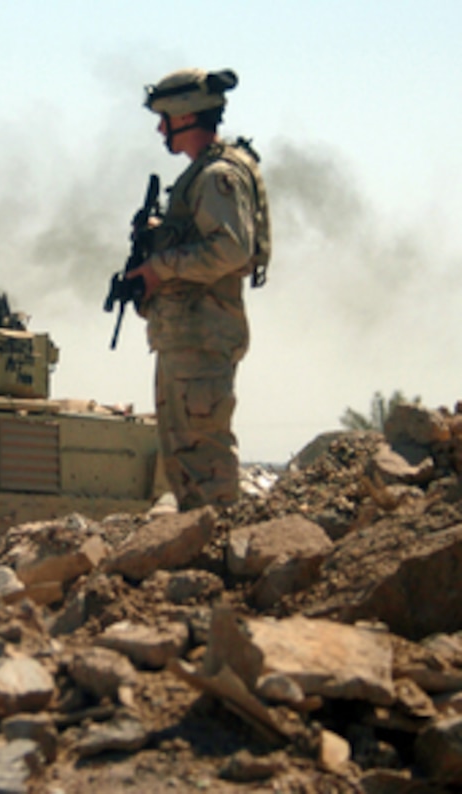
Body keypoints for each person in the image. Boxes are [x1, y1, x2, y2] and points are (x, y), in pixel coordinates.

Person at [125, 67, 271, 510]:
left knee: (203, 458)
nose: (159, 128)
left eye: (164, 118)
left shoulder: (215, 176)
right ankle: (204, 554)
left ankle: (219, 553)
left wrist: (159, 267)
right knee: (185, 460)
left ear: (185, 117)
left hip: (202, 337)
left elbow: (231, 249)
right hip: (189, 337)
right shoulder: (204, 175)